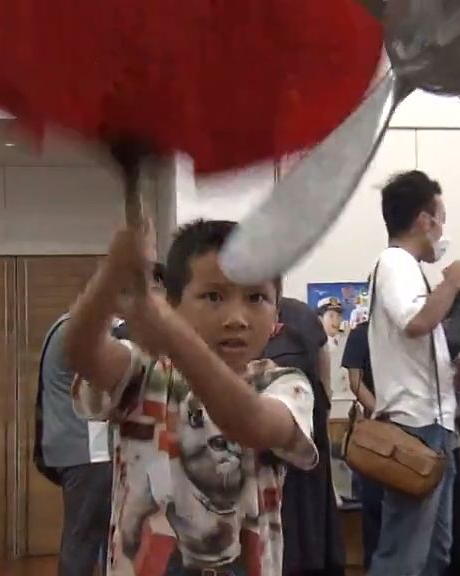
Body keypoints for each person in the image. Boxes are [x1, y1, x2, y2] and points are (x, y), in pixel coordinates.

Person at [63, 218, 317, 576]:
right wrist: (111, 275)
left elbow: (253, 424)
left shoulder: (284, 384)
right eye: (213, 296)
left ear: (277, 315)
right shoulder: (146, 372)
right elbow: (81, 352)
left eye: (256, 297)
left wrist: (174, 334)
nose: (236, 318)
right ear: (175, 303)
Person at [366, 170, 460, 576]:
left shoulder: (410, 270)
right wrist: (453, 280)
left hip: (436, 424)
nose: (442, 229)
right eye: (440, 217)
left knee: (435, 554)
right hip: (415, 426)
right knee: (404, 557)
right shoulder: (395, 261)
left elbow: (421, 344)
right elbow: (415, 320)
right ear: (425, 220)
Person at [35, 262, 166, 576]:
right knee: (84, 538)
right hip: (88, 449)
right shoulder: (83, 332)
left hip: (77, 447)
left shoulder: (67, 326)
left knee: (95, 536)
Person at [264, 297, 345, 576]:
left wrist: (321, 407)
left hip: (305, 438)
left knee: (306, 530)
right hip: (259, 447)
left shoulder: (300, 315)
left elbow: (324, 378)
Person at [340, 317, 382, 569]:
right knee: (374, 510)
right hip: (375, 432)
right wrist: (380, 412)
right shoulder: (361, 334)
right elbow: (355, 382)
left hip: (416, 429)